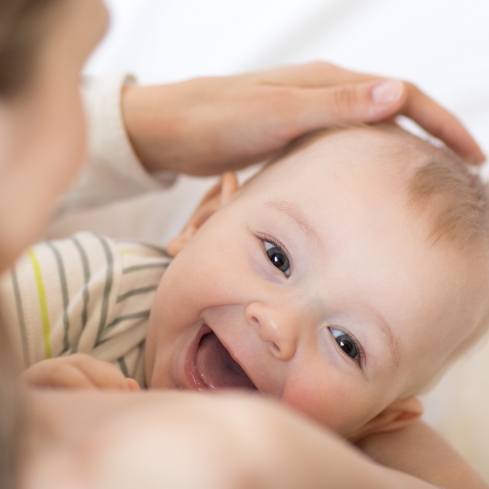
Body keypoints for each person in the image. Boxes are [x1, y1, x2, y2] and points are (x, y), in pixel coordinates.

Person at [0, 0, 486, 488]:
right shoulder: (93, 289)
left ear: (378, 419)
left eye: (347, 344)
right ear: (204, 217)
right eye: (277, 257)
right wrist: (28, 415)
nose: (278, 324)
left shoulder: (325, 456)